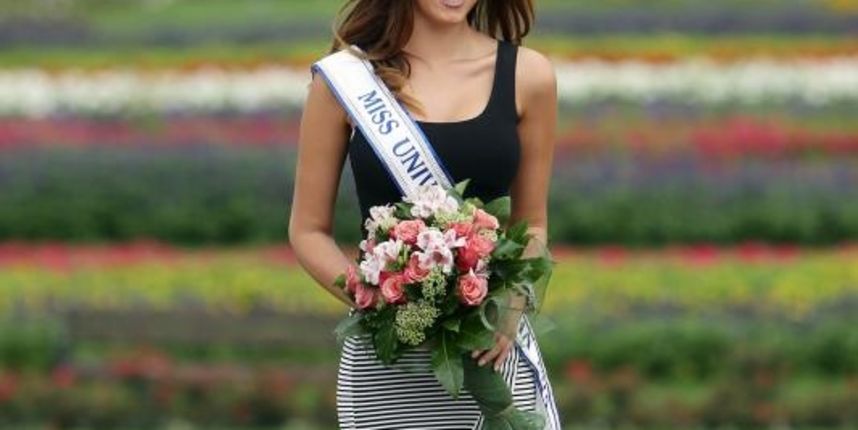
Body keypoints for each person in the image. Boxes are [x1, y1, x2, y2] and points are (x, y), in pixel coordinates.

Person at [288, 0, 558, 428]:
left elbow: (533, 224)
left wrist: (510, 309)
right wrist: (382, 300)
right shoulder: (345, 80)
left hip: (492, 355)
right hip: (388, 362)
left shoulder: (529, 76)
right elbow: (308, 231)